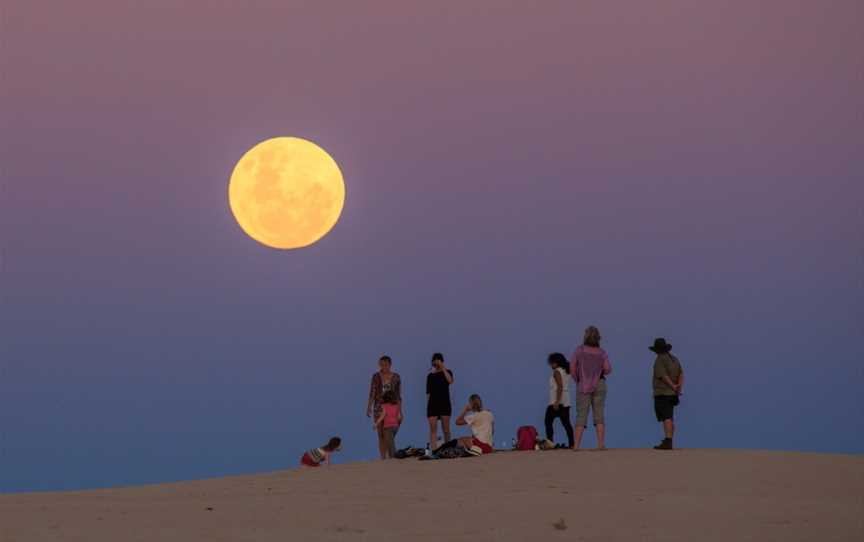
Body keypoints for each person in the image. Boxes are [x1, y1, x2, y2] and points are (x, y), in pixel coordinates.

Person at [570, 325, 612, 450]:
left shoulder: (580, 350)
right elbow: (608, 369)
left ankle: (576, 445)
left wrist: (577, 379)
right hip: (599, 383)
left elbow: (572, 368)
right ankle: (600, 444)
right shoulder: (601, 352)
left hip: (583, 384)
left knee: (581, 415)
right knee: (599, 414)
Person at [650, 338, 684, 450]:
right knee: (669, 417)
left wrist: (673, 386)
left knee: (666, 417)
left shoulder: (660, 359)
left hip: (663, 392)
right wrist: (678, 387)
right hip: (672, 394)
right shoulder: (674, 359)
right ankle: (668, 439)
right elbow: (681, 373)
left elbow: (663, 376)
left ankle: (668, 441)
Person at [366, 355, 402, 460]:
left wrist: (400, 411)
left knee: (389, 433)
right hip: (378, 407)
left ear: (390, 364)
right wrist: (369, 406)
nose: (383, 366)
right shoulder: (376, 376)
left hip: (392, 408)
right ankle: (383, 457)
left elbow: (399, 395)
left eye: (385, 364)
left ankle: (388, 453)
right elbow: (372, 392)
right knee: (380, 433)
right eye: (381, 364)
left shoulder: (396, 377)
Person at [545, 353, 575, 448]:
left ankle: (550, 443)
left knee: (548, 422)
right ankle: (572, 444)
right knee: (566, 423)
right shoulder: (566, 371)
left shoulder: (557, 372)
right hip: (566, 400)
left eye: (551, 363)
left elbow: (560, 386)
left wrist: (557, 401)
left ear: (556, 363)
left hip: (556, 400)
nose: (550, 365)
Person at [426, 352, 454, 451]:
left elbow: (450, 381)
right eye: (435, 360)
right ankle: (433, 450)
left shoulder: (448, 371)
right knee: (433, 430)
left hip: (444, 403)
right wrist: (427, 406)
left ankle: (448, 449)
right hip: (432, 404)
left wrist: (443, 368)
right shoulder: (430, 376)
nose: (436, 362)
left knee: (446, 430)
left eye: (438, 360)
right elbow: (428, 393)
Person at [374, 391, 402, 459]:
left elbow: (382, 416)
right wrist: (398, 424)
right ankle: (391, 455)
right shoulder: (397, 406)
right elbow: (399, 417)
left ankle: (393, 456)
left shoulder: (384, 406)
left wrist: (376, 423)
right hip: (395, 427)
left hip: (388, 427)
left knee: (390, 443)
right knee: (390, 441)